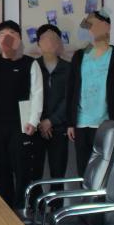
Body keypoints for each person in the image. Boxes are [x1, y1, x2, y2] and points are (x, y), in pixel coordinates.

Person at [0, 20, 39, 209]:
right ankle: (4, 209)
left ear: (19, 39)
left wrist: (33, 121)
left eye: (12, 35)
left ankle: (22, 209)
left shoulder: (30, 63)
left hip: (22, 125)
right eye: (3, 35)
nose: (7, 39)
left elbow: (37, 93)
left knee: (22, 169)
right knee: (1, 168)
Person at [66, 10, 114, 175]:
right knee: (84, 171)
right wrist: (70, 122)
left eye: (94, 24)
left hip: (107, 124)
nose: (90, 28)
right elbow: (71, 90)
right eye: (87, 25)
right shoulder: (80, 56)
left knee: (106, 172)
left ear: (107, 26)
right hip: (82, 123)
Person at [33, 25, 70, 186]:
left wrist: (51, 121)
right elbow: (29, 97)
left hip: (59, 128)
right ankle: (35, 202)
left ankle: (57, 202)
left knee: (58, 173)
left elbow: (70, 99)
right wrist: (40, 121)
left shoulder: (68, 68)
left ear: (59, 43)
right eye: (45, 39)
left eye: (53, 39)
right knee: (34, 173)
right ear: (38, 44)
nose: (49, 43)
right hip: (35, 128)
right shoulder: (32, 66)